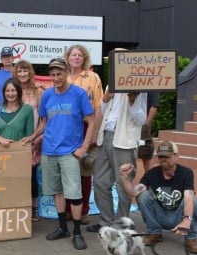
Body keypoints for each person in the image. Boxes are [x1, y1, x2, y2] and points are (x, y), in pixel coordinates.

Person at [21, 58, 96, 250]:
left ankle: (77, 232)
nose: (56, 78)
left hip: (70, 152)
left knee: (75, 193)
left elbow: (92, 120)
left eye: (59, 74)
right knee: (57, 191)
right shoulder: (46, 96)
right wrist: (33, 137)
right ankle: (63, 228)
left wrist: (84, 147)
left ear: (66, 73)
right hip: (49, 150)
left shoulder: (78, 94)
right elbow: (44, 122)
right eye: (53, 75)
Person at [119, 141, 197, 254]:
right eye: (161, 156)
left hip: (179, 215)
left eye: (167, 156)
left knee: (194, 200)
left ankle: (191, 238)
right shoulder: (152, 173)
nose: (164, 159)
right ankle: (155, 232)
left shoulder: (186, 173)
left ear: (176, 156)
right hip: (161, 213)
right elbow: (132, 193)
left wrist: (187, 220)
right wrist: (124, 178)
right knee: (142, 195)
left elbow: (188, 196)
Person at [86, 86, 147, 233]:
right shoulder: (111, 84)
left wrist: (133, 102)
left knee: (123, 185)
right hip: (105, 136)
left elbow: (141, 119)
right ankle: (106, 222)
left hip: (125, 140)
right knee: (100, 182)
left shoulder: (140, 86)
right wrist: (106, 99)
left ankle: (121, 225)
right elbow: (104, 109)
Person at [64, 44, 104, 224]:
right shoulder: (62, 77)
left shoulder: (93, 77)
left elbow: (98, 106)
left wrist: (95, 132)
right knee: (66, 169)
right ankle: (67, 209)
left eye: (80, 55)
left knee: (84, 172)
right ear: (68, 57)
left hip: (87, 127)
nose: (76, 58)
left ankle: (85, 210)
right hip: (67, 129)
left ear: (84, 58)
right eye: (73, 55)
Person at [13, 60, 44, 222]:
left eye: (25, 71)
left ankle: (33, 208)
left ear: (30, 72)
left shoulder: (37, 91)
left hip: (33, 138)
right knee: (16, 175)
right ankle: (18, 207)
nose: (23, 74)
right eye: (20, 71)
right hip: (16, 139)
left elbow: (44, 117)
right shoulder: (12, 90)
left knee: (32, 176)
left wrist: (37, 138)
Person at [0, 78, 33, 148]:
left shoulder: (27, 109)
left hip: (17, 152)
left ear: (19, 91)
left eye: (13, 90)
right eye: (7, 91)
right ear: (4, 93)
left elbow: (29, 137)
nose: (10, 94)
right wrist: (1, 139)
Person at [138, 92, 160, 171]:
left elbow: (154, 106)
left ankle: (150, 179)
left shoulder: (152, 82)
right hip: (128, 124)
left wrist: (146, 126)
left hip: (143, 124)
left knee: (146, 151)